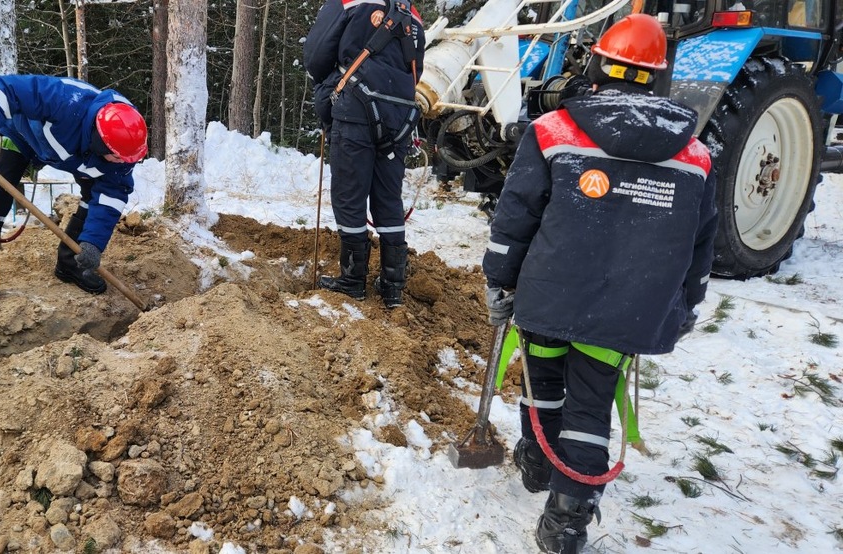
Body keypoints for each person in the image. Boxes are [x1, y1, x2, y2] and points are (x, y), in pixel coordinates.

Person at [481, 14, 717, 554]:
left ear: (596, 66)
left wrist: (500, 280)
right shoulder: (697, 155)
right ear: (659, 78)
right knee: (590, 406)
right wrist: (687, 304)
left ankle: (538, 463)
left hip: (548, 293)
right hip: (629, 309)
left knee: (543, 382)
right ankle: (566, 524)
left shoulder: (553, 131)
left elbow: (515, 219)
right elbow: (701, 249)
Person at [0, 75, 148, 310]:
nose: (123, 163)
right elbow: (0, 89)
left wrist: (93, 244)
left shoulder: (123, 151)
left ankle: (70, 263)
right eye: (118, 157)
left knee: (94, 198)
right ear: (101, 141)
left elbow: (110, 198)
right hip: (23, 134)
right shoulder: (64, 100)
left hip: (74, 155)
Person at [303, 0, 425, 308]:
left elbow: (316, 56)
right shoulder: (413, 14)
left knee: (349, 193)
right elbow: (415, 69)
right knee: (388, 196)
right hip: (399, 116)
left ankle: (352, 280)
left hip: (357, 107)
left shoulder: (347, 2)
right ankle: (393, 286)